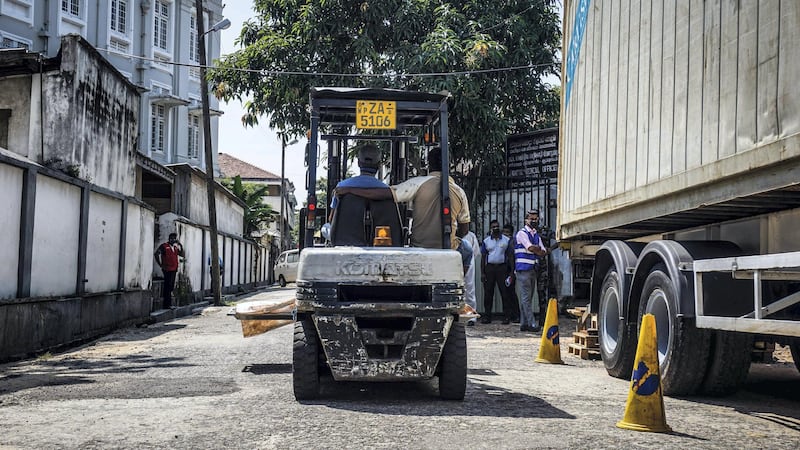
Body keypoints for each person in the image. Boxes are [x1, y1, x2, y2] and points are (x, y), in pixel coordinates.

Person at [392, 147, 470, 250]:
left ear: (429, 164)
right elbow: (464, 228)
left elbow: (390, 194)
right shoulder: (459, 191)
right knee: (467, 249)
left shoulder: (418, 184)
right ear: (449, 164)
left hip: (419, 246)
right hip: (449, 247)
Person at [329, 144, 389, 213]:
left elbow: (332, 218)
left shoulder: (342, 187)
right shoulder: (386, 191)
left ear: (358, 163)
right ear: (379, 165)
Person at [514, 210, 548, 332]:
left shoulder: (536, 235)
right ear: (526, 220)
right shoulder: (521, 234)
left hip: (532, 269)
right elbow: (531, 247)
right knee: (526, 298)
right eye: (531, 219)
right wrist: (536, 249)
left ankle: (524, 324)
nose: (534, 221)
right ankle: (532, 323)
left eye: (536, 219)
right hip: (523, 269)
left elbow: (542, 251)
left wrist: (536, 249)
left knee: (527, 297)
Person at [480, 219, 515, 324]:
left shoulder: (506, 240)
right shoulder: (486, 241)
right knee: (488, 293)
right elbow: (483, 258)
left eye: (497, 226)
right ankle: (487, 316)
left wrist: (512, 272)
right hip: (490, 268)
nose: (496, 228)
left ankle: (506, 317)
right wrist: (482, 272)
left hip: (502, 268)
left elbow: (510, 256)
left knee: (504, 293)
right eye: (493, 227)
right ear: (491, 228)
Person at [154, 232, 184, 309]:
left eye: (175, 238)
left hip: (174, 269)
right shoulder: (164, 246)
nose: (173, 240)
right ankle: (166, 304)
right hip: (167, 269)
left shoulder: (175, 248)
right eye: (172, 238)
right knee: (167, 286)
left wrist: (180, 245)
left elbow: (182, 254)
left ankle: (169, 304)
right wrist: (160, 264)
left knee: (171, 286)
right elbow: (156, 254)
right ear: (169, 239)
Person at [462, 228, 481, 326]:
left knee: (469, 289)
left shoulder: (471, 236)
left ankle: (471, 317)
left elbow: (476, 252)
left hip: (469, 263)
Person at [502, 223, 521, 322]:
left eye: (507, 232)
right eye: (504, 232)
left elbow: (512, 257)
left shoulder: (512, 242)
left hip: (510, 269)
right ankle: (509, 314)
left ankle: (516, 314)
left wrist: (512, 272)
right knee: (506, 293)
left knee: (511, 293)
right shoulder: (502, 241)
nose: (505, 234)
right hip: (503, 268)